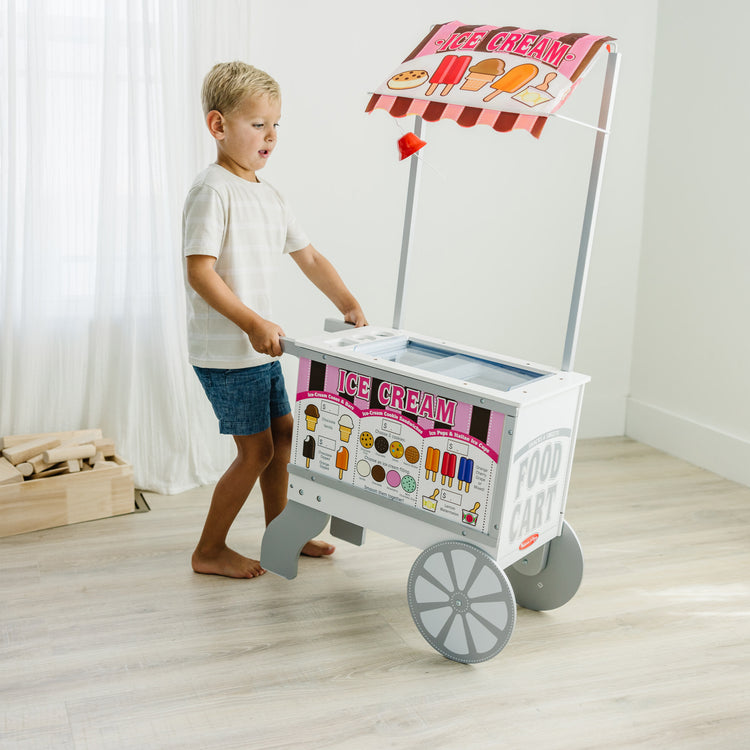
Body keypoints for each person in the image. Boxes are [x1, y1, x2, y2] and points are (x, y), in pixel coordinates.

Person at [183, 61, 367, 579]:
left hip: (260, 347)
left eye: (276, 124)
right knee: (256, 450)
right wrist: (251, 321)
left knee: (284, 436)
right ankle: (209, 550)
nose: (270, 136)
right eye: (257, 124)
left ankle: (281, 532)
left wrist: (347, 303)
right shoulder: (212, 190)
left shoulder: (269, 194)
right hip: (227, 349)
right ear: (218, 126)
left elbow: (309, 257)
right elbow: (201, 272)